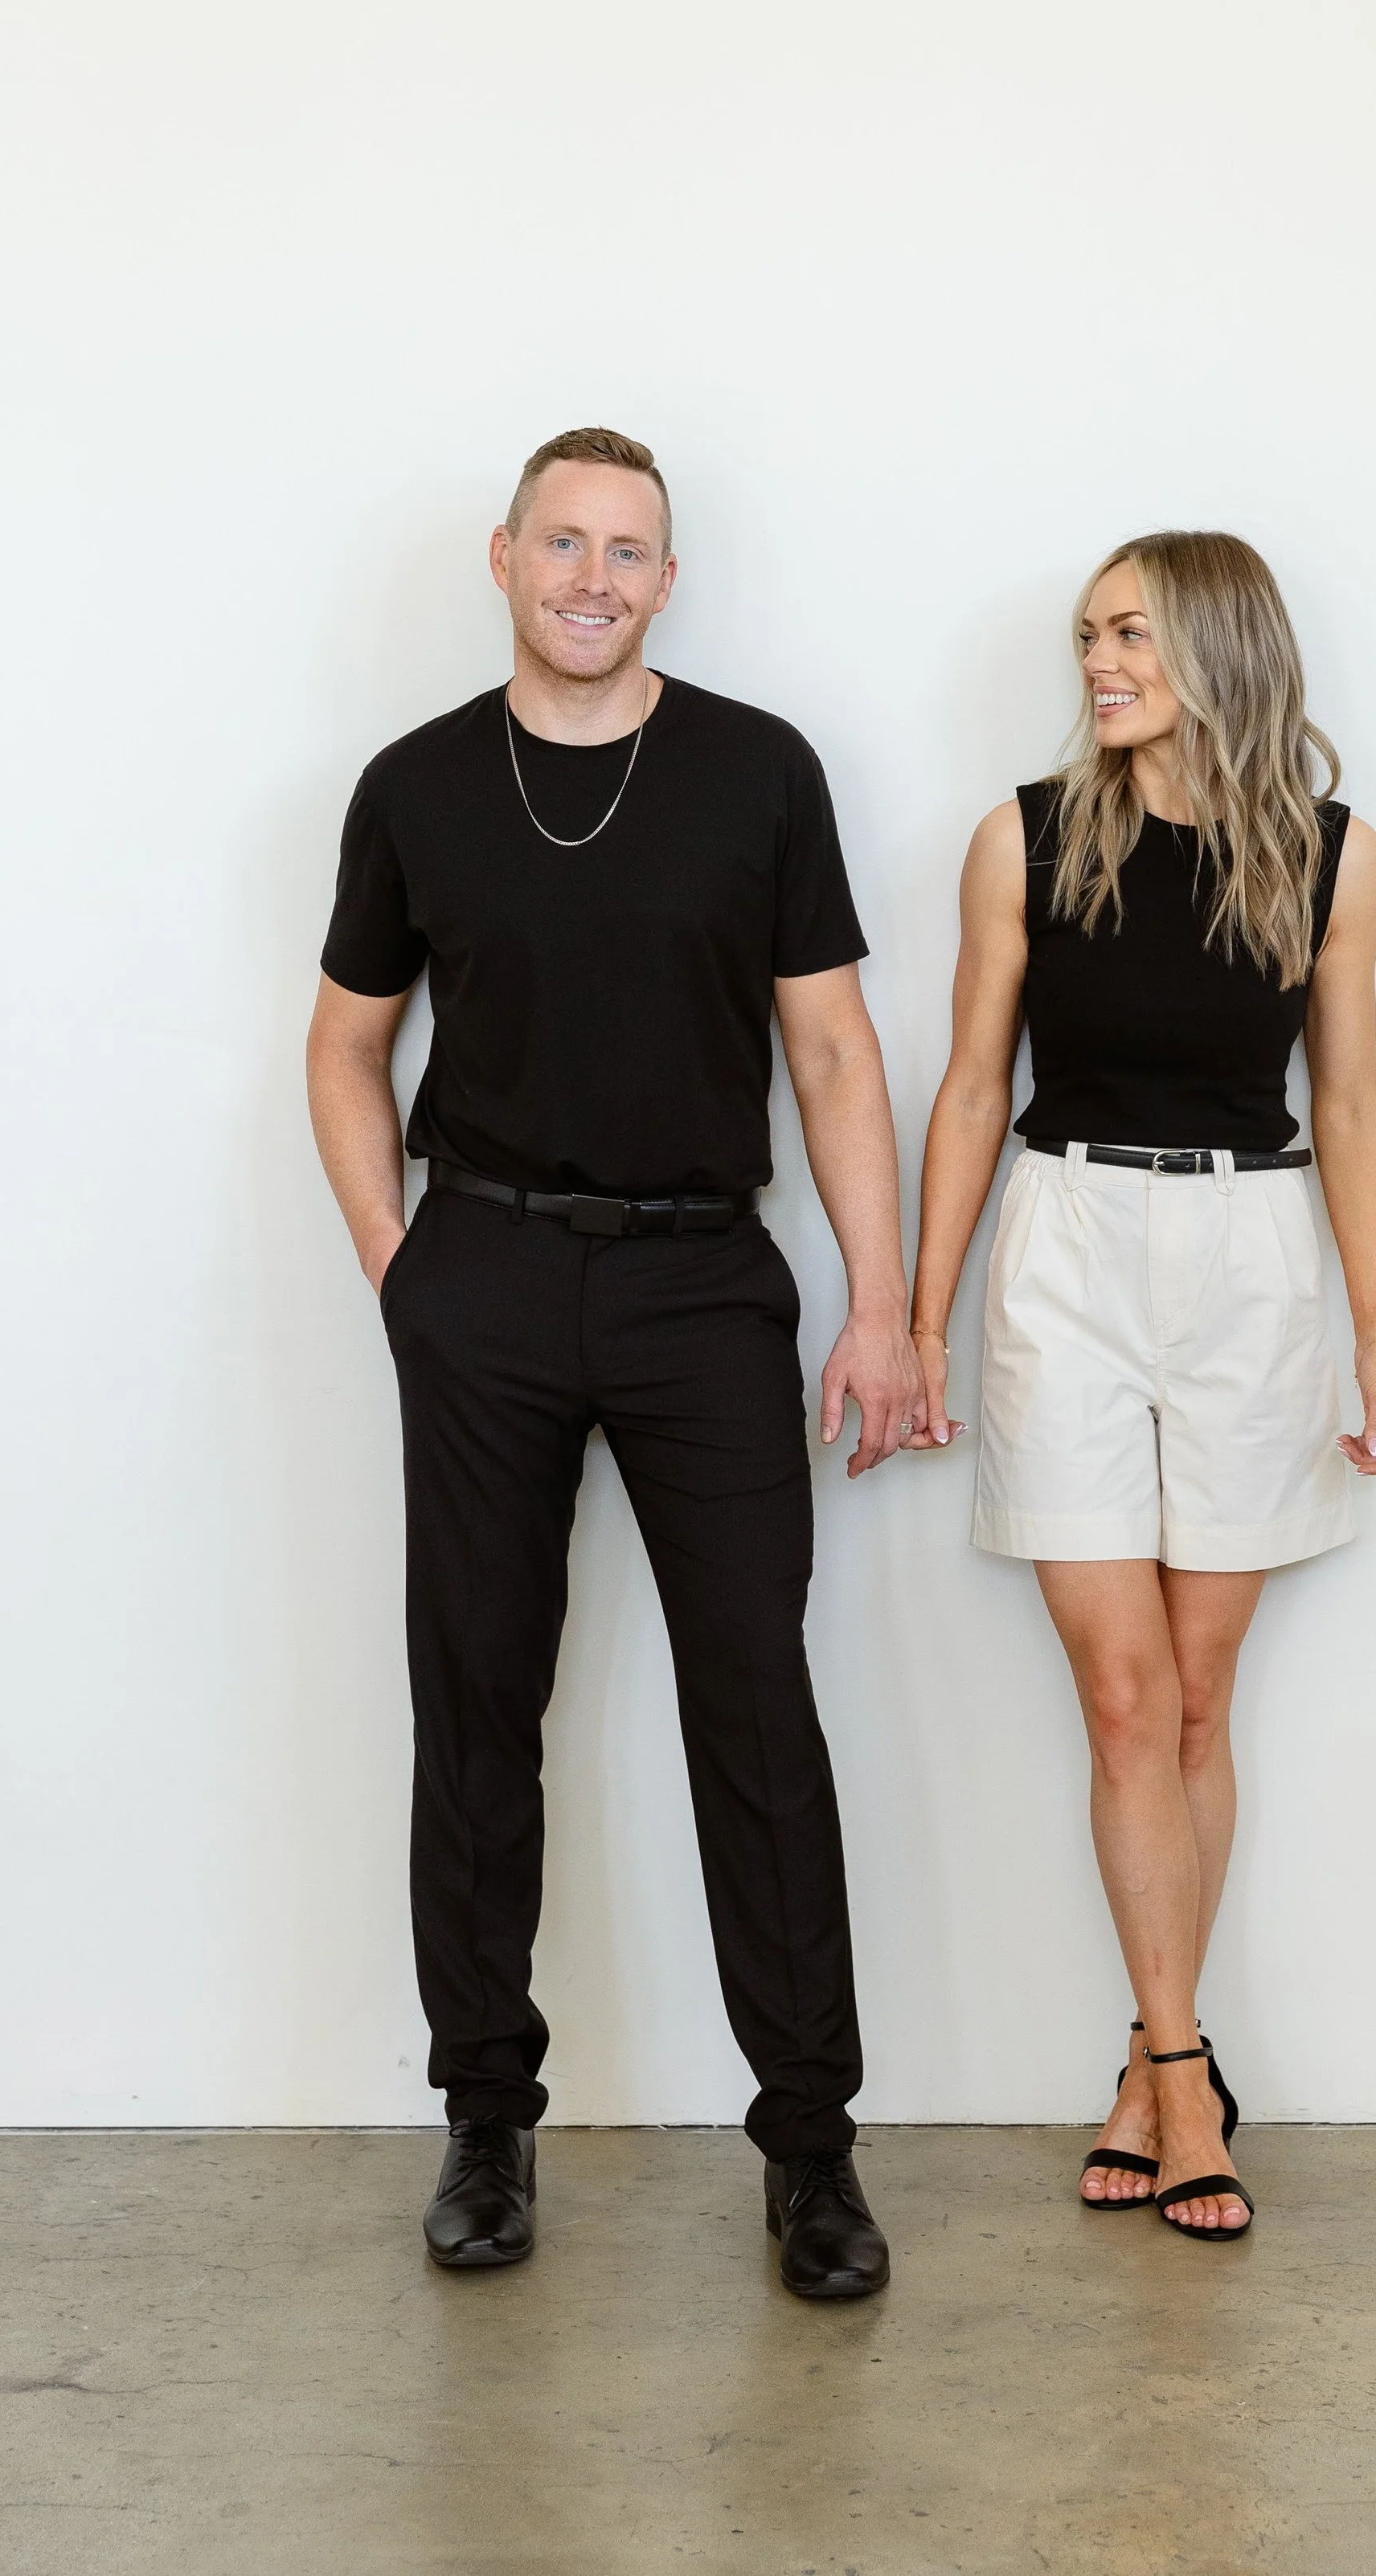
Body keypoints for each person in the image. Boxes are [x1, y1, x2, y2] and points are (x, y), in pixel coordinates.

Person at [306, 427, 919, 2299]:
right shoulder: (412, 787)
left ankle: (807, 2151)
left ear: (668, 580)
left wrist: (882, 1308)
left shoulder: (756, 773)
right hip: (480, 1274)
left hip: (695, 1290)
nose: (591, 574)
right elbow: (344, 1050)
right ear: (502, 557)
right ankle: (485, 2119)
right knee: (477, 1702)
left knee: (757, 1706)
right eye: (560, 541)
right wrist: (403, 1271)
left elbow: (830, 1058)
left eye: (627, 549)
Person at [907, 530, 1376, 2239]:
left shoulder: (1331, 860)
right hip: (1063, 1249)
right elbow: (972, 1091)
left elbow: (1343, 1104)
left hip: (1252, 1264)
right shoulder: (1023, 840)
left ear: (1213, 646)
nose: (1097, 663)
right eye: (1085, 636)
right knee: (1121, 1699)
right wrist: (916, 1318)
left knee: (1196, 1702)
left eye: (1126, 633)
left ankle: (1144, 2054)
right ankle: (1190, 2075)